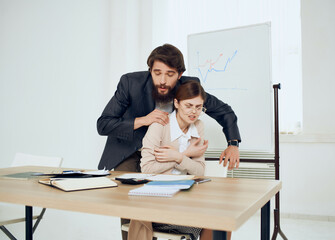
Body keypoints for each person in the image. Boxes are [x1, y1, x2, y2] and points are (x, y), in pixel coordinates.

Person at [97, 43, 240, 240]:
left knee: (193, 204)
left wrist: (233, 143)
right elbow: (103, 124)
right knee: (133, 209)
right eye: (157, 73)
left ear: (180, 75)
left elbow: (224, 111)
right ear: (150, 71)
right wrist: (144, 120)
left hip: (166, 150)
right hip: (130, 151)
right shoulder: (130, 83)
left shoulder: (189, 90)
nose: (162, 80)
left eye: (170, 74)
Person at [128, 81, 210, 240]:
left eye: (199, 107)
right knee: (215, 220)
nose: (194, 112)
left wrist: (178, 156)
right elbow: (147, 169)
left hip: (185, 198)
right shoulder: (159, 126)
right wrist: (185, 154)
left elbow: (199, 171)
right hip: (157, 202)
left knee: (223, 220)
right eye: (189, 105)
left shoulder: (198, 126)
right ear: (177, 103)